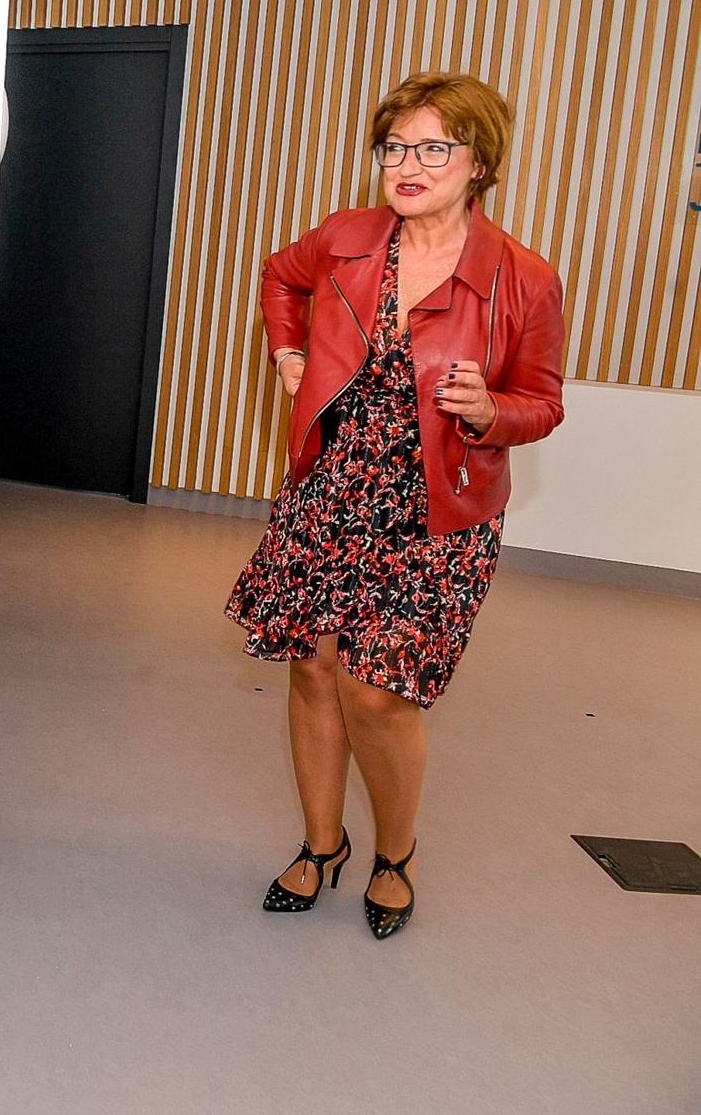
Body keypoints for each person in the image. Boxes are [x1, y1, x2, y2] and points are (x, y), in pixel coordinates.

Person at [228, 72, 564, 939]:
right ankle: (320, 844)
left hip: (439, 511)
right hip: (332, 488)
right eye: (395, 147)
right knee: (312, 667)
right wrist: (286, 353)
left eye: (433, 148)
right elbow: (278, 276)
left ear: (479, 161)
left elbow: (545, 400)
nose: (407, 165)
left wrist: (493, 412)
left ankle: (395, 855)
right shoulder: (347, 239)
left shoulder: (523, 279)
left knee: (379, 692)